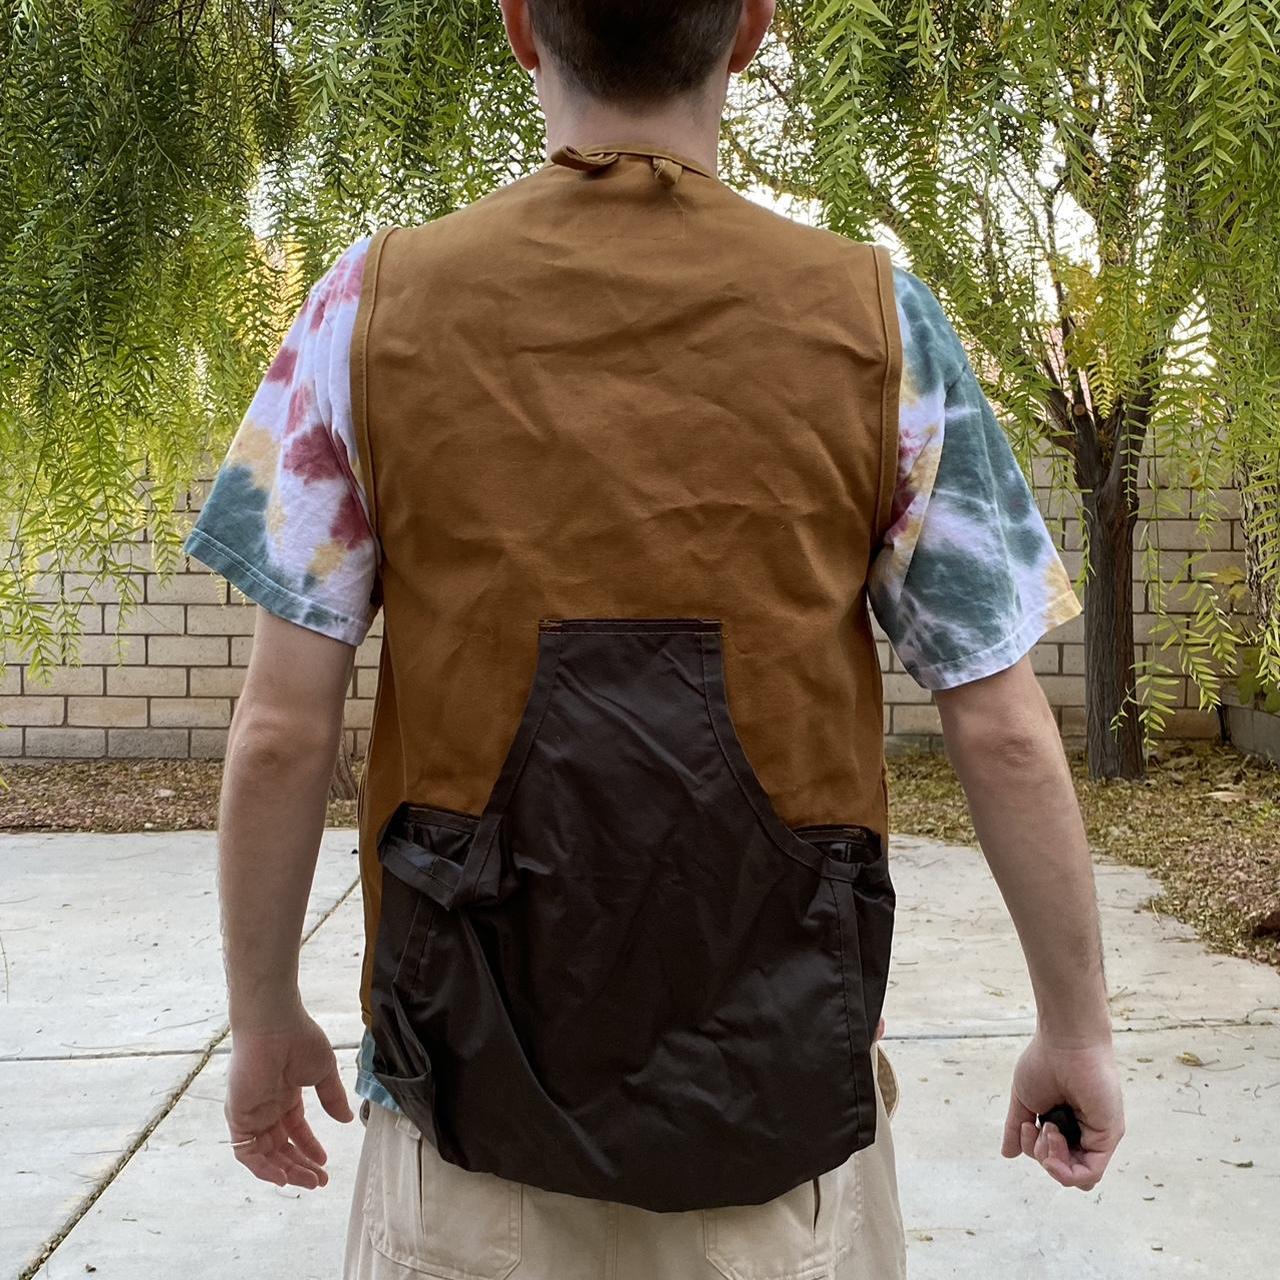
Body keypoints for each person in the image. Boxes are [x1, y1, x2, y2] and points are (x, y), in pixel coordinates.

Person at [183, 1, 1125, 1275]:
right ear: (749, 30)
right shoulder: (879, 323)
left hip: (468, 1120)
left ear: (520, 26)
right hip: (778, 1132)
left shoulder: (368, 303)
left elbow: (282, 728)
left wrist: (262, 1020)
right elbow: (1000, 724)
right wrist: (1076, 1026)